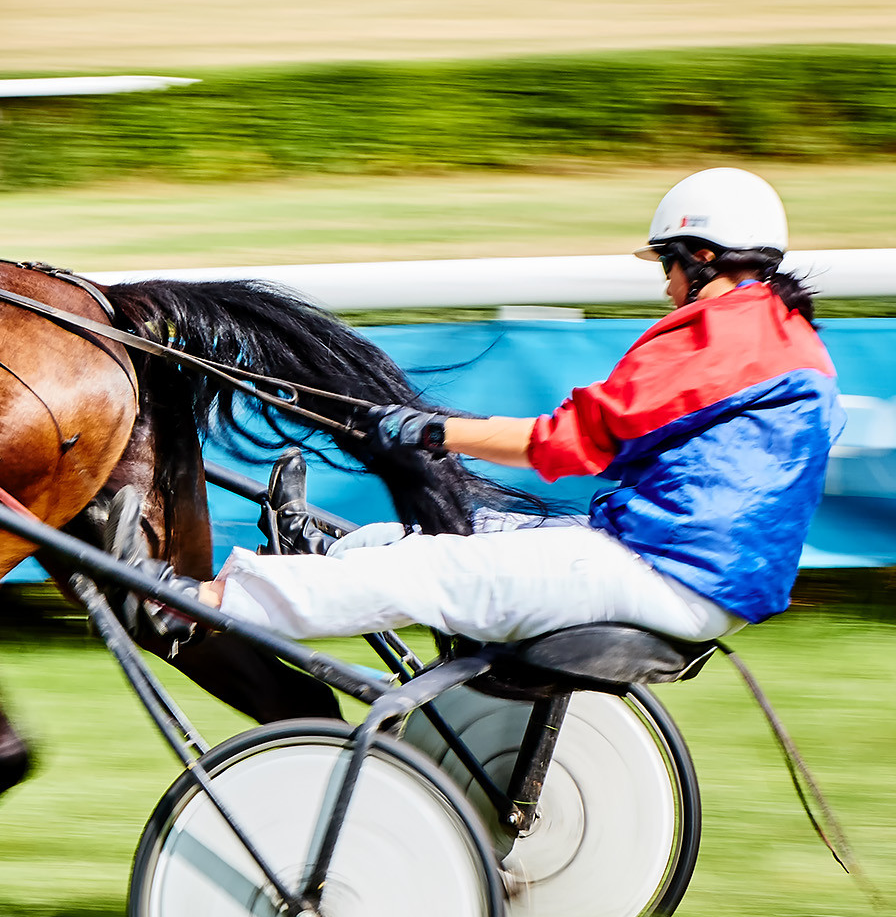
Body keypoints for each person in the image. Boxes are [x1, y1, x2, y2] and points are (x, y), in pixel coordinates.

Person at [169, 167, 844, 645]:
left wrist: (431, 429)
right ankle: (320, 555)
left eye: (667, 266)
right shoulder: (784, 332)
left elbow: (571, 442)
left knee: (426, 570)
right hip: (695, 570)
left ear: (700, 256)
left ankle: (209, 602)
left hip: (670, 571)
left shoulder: (725, 332)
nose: (666, 287)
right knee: (453, 539)